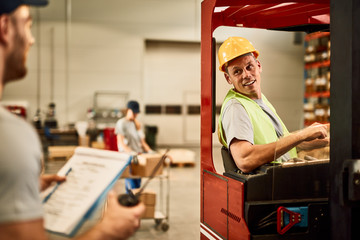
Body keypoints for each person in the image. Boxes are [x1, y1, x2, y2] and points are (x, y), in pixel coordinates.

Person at [0, 1, 145, 240]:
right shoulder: (11, 136)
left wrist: (27, 185)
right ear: (5, 28)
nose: (32, 39)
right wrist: (107, 231)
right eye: (27, 25)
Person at [218, 37, 329, 173]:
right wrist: (301, 135)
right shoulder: (236, 107)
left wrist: (309, 140)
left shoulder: (259, 100)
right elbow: (245, 159)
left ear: (258, 66)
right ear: (228, 78)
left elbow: (277, 143)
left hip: (281, 176)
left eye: (249, 67)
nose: (246, 75)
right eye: (237, 71)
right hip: (268, 186)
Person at [115, 100, 153, 191]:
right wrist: (131, 152)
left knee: (137, 183)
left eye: (137, 113)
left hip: (138, 156)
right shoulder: (121, 123)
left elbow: (142, 142)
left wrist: (150, 151)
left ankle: (134, 202)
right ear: (128, 110)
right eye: (134, 112)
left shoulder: (136, 124)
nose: (136, 115)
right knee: (131, 184)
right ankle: (130, 202)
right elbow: (120, 142)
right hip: (128, 157)